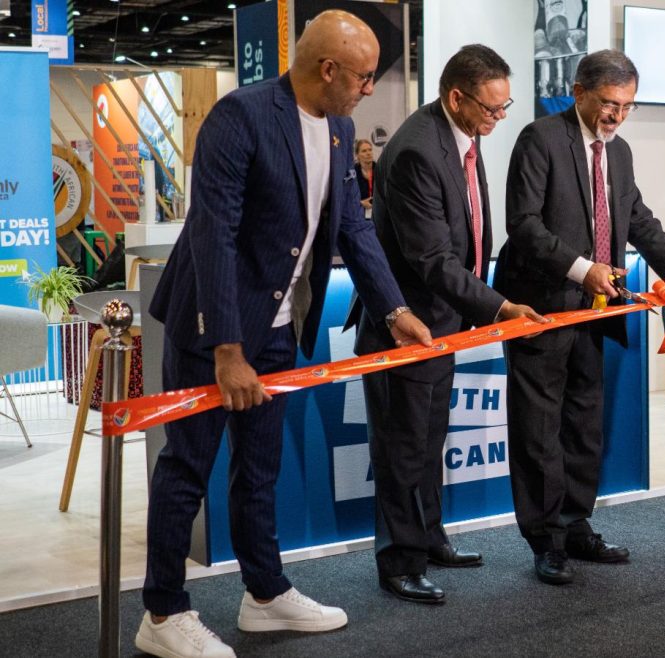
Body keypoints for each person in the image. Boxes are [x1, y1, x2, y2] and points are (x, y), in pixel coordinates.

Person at [138, 11, 432, 658]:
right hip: (211, 329)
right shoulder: (240, 116)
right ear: (327, 69)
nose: (368, 89)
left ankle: (265, 593)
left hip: (278, 329)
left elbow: (352, 227)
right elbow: (213, 233)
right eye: (363, 77)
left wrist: (393, 309)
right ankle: (162, 611)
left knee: (259, 468)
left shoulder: (340, 128)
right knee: (186, 468)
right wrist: (227, 348)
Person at [345, 44, 546, 606]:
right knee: (402, 451)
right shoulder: (416, 150)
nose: (498, 118)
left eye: (504, 108)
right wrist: (500, 307)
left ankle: (429, 539)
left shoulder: (460, 136)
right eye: (491, 108)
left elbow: (468, 233)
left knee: (428, 442)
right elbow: (433, 259)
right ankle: (400, 562)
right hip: (405, 327)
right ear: (457, 97)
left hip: (443, 324)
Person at [494, 49, 665, 585]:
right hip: (540, 307)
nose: (617, 115)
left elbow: (638, 219)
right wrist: (582, 269)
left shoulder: (621, 151)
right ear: (579, 92)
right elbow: (524, 224)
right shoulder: (540, 138)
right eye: (610, 103)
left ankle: (575, 524)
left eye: (628, 106)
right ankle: (545, 540)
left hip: (595, 310)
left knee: (583, 423)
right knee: (539, 430)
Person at [354, 138, 375, 218]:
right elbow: (347, 199)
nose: (368, 153)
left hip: (378, 215)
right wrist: (361, 203)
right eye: (364, 151)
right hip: (358, 215)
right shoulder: (352, 174)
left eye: (370, 150)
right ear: (357, 155)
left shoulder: (380, 169)